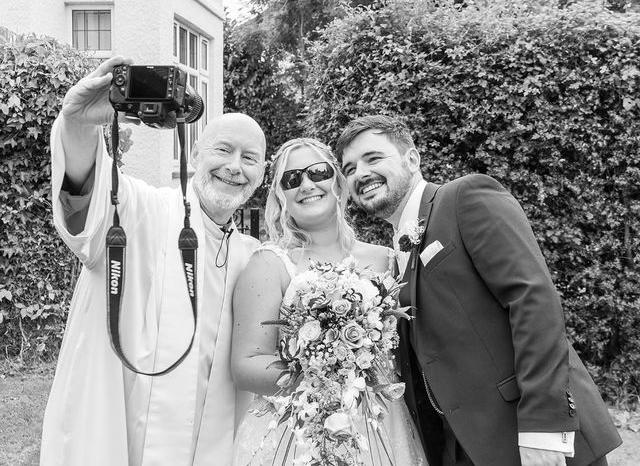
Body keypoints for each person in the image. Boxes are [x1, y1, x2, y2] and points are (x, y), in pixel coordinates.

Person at [335, 115, 622, 466]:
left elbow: (533, 301)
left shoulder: (464, 198)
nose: (360, 174)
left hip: (530, 436)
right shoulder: (392, 255)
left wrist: (544, 425)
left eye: (373, 158)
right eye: (349, 169)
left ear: (412, 159)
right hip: (463, 447)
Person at [41, 56, 266, 466]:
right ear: (195, 153)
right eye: (223, 150)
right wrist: (78, 126)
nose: (235, 167)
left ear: (262, 174)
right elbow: (89, 195)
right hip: (124, 432)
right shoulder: (145, 209)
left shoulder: (250, 257)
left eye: (249, 158)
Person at [230, 138, 428, 465]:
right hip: (299, 435)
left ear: (337, 181)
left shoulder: (386, 259)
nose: (306, 184)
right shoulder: (270, 264)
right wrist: (317, 368)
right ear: (281, 197)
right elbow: (246, 365)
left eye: (317, 172)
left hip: (379, 425)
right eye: (292, 179)